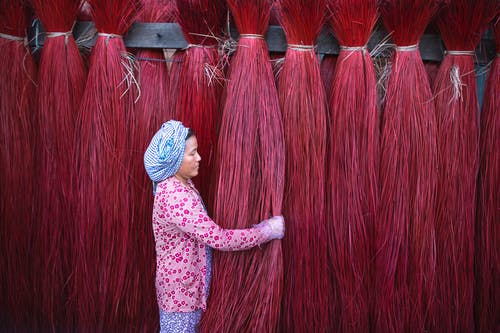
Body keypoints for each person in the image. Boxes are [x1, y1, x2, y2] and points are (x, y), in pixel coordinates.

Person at [144, 120, 285, 333]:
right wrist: (266, 231)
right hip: (180, 298)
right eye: (192, 153)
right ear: (174, 159)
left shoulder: (179, 183)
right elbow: (219, 238)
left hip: (186, 290)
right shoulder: (175, 198)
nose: (199, 158)